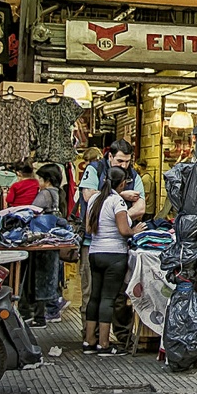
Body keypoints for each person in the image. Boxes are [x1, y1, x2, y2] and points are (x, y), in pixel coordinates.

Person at [78, 140, 146, 328]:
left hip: (119, 246)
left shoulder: (133, 175)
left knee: (117, 295)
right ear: (109, 156)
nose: (124, 166)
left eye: (127, 162)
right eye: (119, 161)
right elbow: (88, 195)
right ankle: (90, 336)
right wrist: (119, 200)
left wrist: (114, 215)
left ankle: (112, 337)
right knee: (91, 292)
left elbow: (141, 207)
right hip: (91, 243)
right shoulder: (94, 170)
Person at [83, 167, 145, 355]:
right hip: (114, 254)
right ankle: (104, 343)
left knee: (95, 296)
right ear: (122, 184)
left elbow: (88, 227)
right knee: (108, 298)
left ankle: (89, 341)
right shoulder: (117, 201)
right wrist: (136, 230)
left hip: (95, 252)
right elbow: (124, 230)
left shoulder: (94, 199)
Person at [26, 163, 68, 327]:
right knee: (51, 275)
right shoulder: (59, 194)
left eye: (40, 179)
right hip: (54, 239)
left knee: (41, 277)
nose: (39, 182)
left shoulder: (45, 194)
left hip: (42, 239)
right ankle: (52, 308)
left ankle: (41, 316)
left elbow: (32, 211)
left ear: (47, 180)